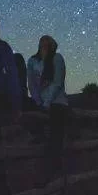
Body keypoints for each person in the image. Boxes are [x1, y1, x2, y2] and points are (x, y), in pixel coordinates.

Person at [26, 34, 69, 180]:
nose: (44, 46)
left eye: (47, 43)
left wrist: (46, 103)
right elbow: (31, 84)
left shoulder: (57, 58)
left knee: (55, 139)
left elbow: (57, 82)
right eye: (41, 43)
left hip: (57, 102)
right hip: (41, 102)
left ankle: (52, 174)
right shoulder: (32, 61)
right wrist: (38, 102)